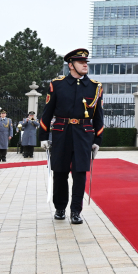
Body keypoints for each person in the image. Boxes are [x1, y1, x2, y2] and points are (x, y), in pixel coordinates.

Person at [38, 48, 103, 224]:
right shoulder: (57, 84)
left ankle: (76, 211)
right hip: (61, 133)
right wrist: (44, 136)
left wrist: (97, 140)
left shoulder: (95, 87)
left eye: (86, 62)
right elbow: (47, 113)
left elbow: (98, 116)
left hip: (84, 134)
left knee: (80, 173)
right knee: (59, 172)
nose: (85, 65)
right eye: (81, 62)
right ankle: (60, 208)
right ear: (71, 65)